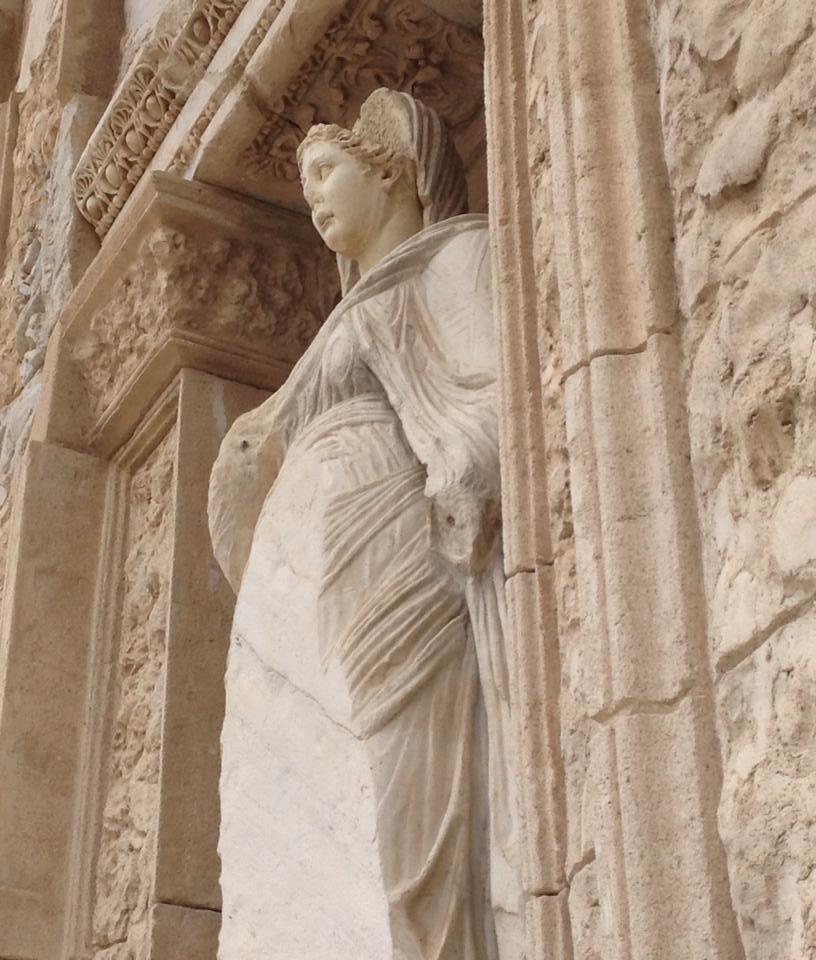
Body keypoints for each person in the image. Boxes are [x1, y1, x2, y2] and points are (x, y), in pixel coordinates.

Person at [209, 88, 522, 960]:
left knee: (400, 784)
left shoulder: (457, 256)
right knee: (318, 803)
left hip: (401, 553)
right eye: (305, 180)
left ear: (390, 174)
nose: (312, 195)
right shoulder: (345, 319)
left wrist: (465, 465)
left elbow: (494, 391)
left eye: (325, 171)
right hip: (314, 583)